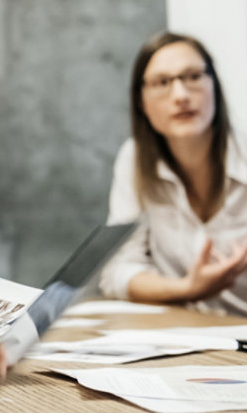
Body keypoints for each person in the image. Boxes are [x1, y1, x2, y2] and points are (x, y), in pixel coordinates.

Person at [100, 32, 247, 315]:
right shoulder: (134, 159)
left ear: (214, 85)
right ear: (142, 102)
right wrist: (188, 289)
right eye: (162, 83)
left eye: (192, 77)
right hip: (182, 336)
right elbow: (117, 270)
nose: (180, 96)